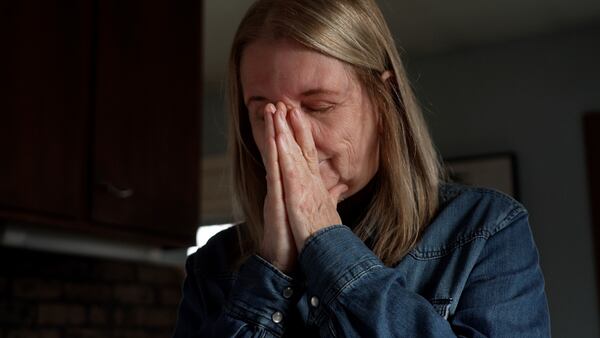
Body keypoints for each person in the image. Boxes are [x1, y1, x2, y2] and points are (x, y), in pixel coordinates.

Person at [173, 0, 551, 336]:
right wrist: (272, 269)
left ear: (384, 101)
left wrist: (325, 240)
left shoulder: (486, 230)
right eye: (263, 114)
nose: (288, 137)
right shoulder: (214, 265)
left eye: (318, 107)